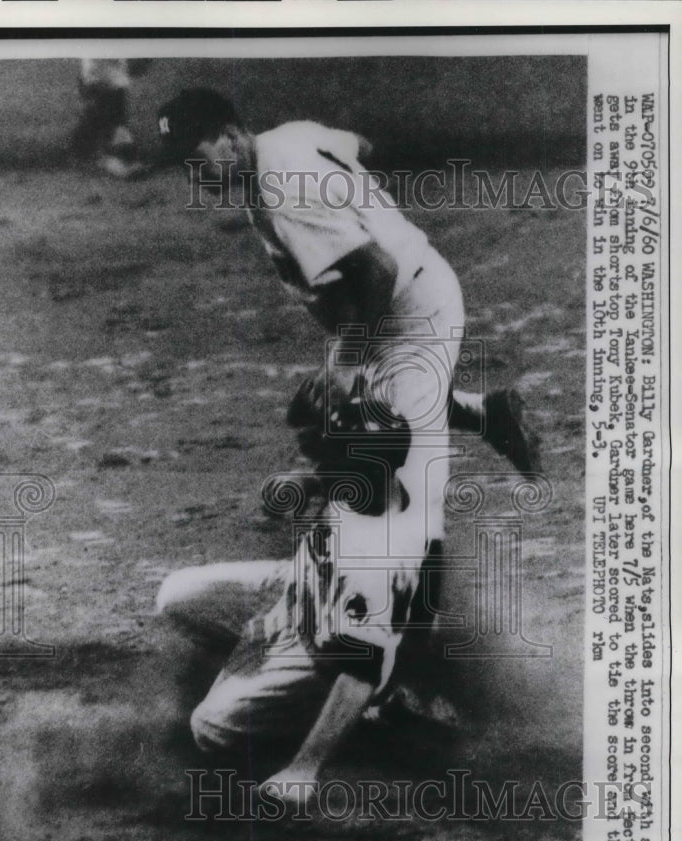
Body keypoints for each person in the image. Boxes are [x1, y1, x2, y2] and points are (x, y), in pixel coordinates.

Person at [155, 89, 540, 805]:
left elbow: (374, 272)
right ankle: (477, 418)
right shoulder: (289, 137)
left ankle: (384, 694)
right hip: (409, 303)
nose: (195, 174)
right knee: (364, 443)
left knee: (382, 480)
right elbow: (358, 142)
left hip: (404, 315)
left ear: (231, 135)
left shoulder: (280, 185)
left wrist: (350, 363)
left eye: (197, 154)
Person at [71, 59, 151, 179]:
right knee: (107, 123)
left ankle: (119, 160)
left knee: (114, 123)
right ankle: (114, 163)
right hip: (101, 82)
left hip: (107, 82)